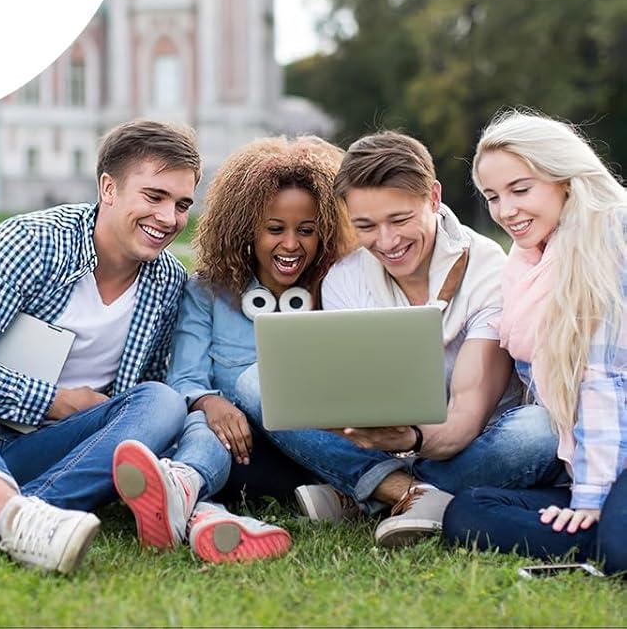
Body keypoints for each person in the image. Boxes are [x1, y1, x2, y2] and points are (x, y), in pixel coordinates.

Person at [0, 120, 197, 574]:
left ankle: (11, 515)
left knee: (163, 401)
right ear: (108, 188)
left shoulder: (168, 279)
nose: (169, 219)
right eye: (154, 197)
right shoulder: (31, 243)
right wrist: (51, 401)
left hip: (37, 457)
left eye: (182, 204)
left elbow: (139, 398)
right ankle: (5, 508)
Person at [239, 131, 560, 548]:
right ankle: (402, 493)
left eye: (400, 220)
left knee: (539, 432)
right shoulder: (346, 278)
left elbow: (465, 416)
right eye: (366, 226)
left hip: (472, 443)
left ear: (432, 197)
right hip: (379, 446)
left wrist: (411, 438)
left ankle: (359, 494)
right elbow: (346, 396)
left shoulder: (489, 273)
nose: (387, 242)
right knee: (254, 381)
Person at [111, 136, 356, 562]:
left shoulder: (338, 290)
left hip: (310, 453)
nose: (291, 244)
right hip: (233, 452)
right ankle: (199, 508)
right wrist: (210, 402)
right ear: (247, 228)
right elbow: (184, 378)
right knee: (204, 428)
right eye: (275, 229)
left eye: (306, 230)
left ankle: (190, 502)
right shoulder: (207, 292)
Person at [443, 112, 627, 573]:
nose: (506, 211)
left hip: (614, 454)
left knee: (619, 547)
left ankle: (607, 531)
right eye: (492, 197)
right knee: (468, 512)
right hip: (586, 462)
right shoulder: (526, 262)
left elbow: (602, 381)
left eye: (520, 190)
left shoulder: (610, 232)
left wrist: (591, 496)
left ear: (565, 178)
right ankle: (604, 532)